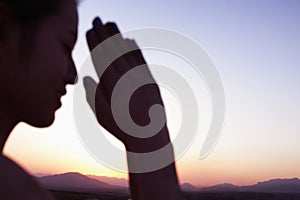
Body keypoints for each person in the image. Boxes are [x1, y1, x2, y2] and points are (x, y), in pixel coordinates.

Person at [0, 0, 185, 199]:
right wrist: (152, 141)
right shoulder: (13, 189)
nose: (72, 76)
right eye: (65, 46)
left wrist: (140, 146)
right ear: (5, 26)